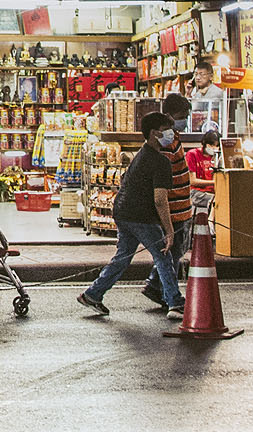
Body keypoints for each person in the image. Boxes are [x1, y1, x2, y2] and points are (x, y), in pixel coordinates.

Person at [77, 111, 185, 321]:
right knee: (163, 256)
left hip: (123, 212)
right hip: (141, 216)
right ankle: (175, 302)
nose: (172, 134)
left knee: (123, 257)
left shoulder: (141, 154)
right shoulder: (161, 162)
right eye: (167, 131)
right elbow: (160, 199)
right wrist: (169, 230)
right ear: (154, 133)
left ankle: (93, 294)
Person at [141, 93, 194, 308]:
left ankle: (156, 285)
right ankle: (168, 295)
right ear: (170, 116)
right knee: (171, 252)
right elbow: (162, 183)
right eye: (182, 116)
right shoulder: (165, 143)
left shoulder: (174, 138)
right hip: (174, 207)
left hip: (181, 206)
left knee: (173, 252)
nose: (185, 120)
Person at [186, 128, 220, 222]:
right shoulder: (192, 154)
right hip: (196, 192)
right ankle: (210, 222)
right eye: (211, 145)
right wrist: (213, 182)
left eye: (216, 146)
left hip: (213, 192)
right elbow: (192, 181)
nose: (214, 148)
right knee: (219, 200)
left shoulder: (217, 157)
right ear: (205, 143)